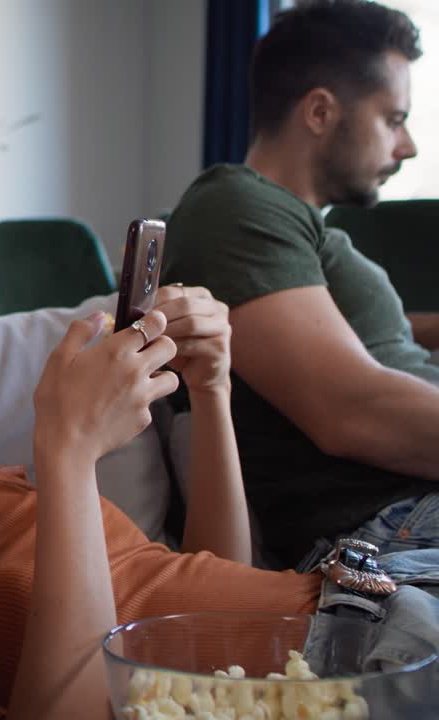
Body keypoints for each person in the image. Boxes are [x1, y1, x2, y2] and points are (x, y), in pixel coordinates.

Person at [0, 250, 436, 719]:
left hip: (375, 594)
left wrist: (211, 391)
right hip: (356, 675)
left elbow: (209, 593)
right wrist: (68, 455)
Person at [162, 0, 439, 570]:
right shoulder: (232, 206)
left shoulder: (292, 227)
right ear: (319, 111)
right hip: (391, 523)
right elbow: (350, 411)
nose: (407, 145)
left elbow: (333, 338)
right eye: (392, 119)